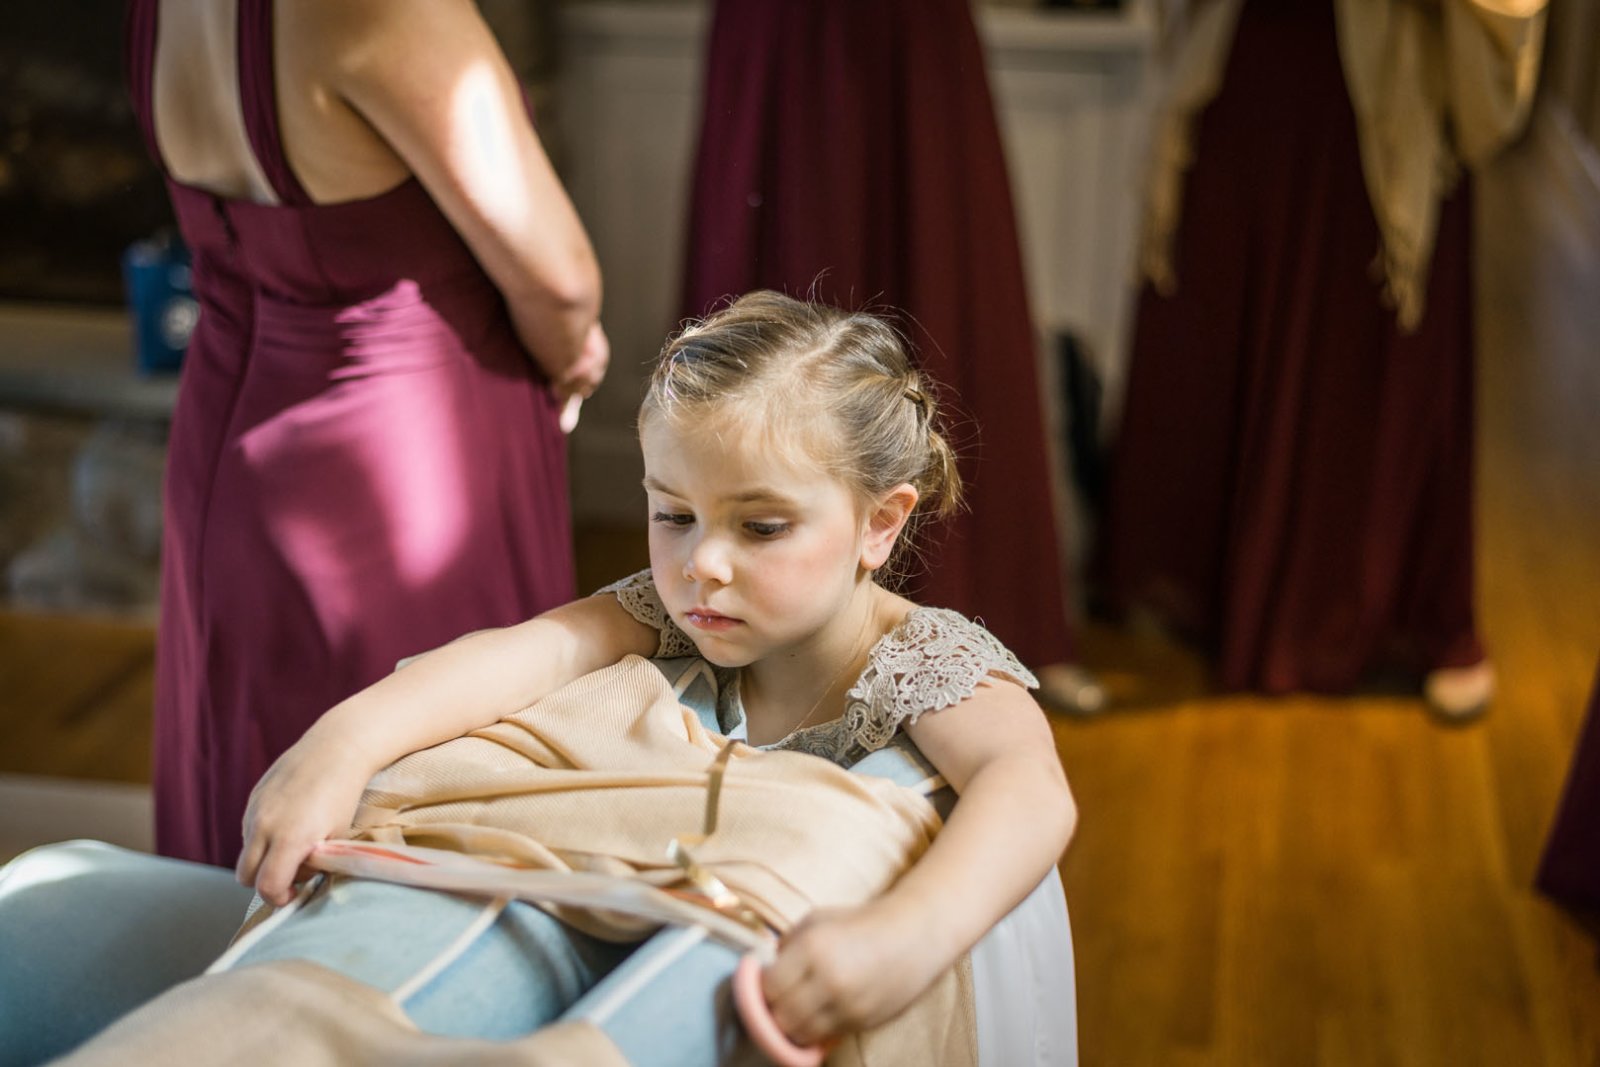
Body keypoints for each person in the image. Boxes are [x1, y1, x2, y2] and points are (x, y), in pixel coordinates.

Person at [4, 292, 1077, 1063]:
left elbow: (1028, 789)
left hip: (732, 921)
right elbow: (520, 652)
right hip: (603, 893)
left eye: (760, 526)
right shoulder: (662, 612)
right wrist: (338, 744)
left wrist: (907, 935)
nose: (702, 563)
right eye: (673, 513)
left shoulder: (921, 657)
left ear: (879, 524)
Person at [125, 0, 610, 867]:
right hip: (397, 462)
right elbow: (561, 280)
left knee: (244, 766)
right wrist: (573, 352)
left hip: (223, 441)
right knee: (418, 815)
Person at [1096, 0, 1544, 714]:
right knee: (1211, 316)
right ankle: (1209, 584)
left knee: (1368, 357)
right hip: (1251, 54)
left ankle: (1400, 615)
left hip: (1384, 75)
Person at [679, 0, 1104, 714]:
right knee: (782, 302)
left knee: (942, 295)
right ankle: (759, 627)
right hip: (781, 33)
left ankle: (994, 628)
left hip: (911, 31)